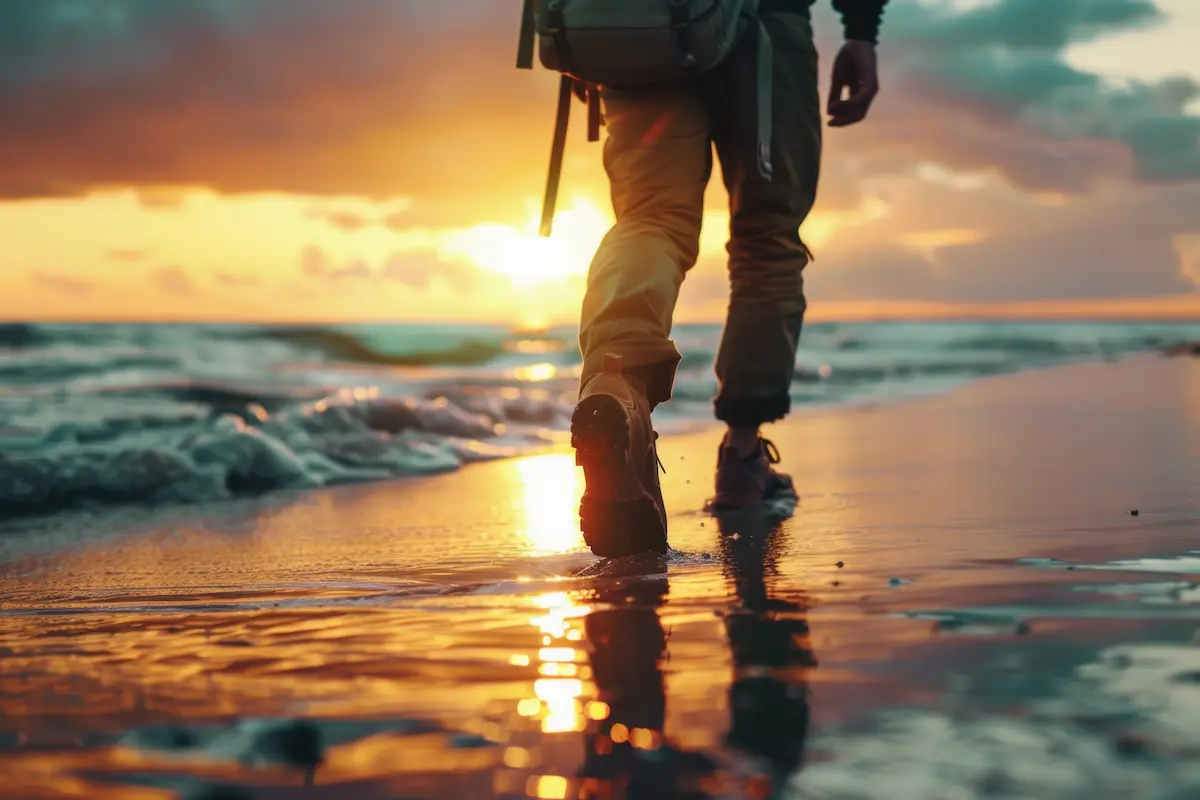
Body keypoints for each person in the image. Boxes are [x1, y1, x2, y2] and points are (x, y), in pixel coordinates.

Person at [571, 1, 888, 558]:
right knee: (766, 238)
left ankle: (616, 385)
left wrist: (590, 29)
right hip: (763, 25)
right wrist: (862, 30)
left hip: (640, 23)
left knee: (650, 218)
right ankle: (743, 459)